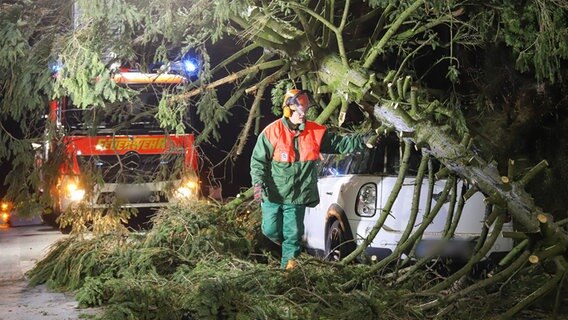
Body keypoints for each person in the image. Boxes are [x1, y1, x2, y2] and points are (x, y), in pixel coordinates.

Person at [250, 89, 366, 270]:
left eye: (305, 111)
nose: (303, 115)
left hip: (298, 195)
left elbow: (340, 144)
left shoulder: (314, 132)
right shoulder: (272, 132)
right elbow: (258, 161)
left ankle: (288, 272)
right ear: (288, 110)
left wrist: (364, 140)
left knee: (293, 234)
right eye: (299, 112)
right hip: (273, 194)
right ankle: (289, 249)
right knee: (270, 230)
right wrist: (258, 183)